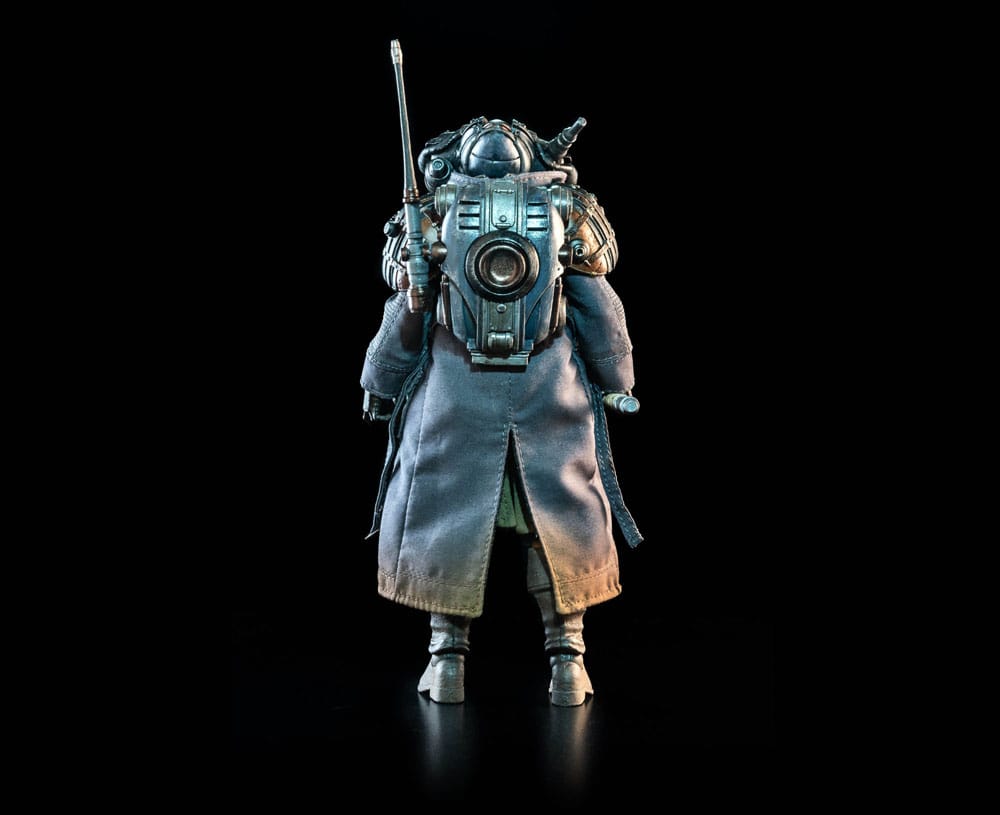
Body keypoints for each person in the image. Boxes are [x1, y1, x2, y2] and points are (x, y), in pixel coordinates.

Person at [361, 115, 641, 706]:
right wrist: (618, 380)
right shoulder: (554, 211)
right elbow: (598, 305)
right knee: (553, 520)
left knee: (452, 518)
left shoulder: (441, 216)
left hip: (459, 401)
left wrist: (380, 383)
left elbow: (407, 312)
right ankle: (563, 662)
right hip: (543, 398)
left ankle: (453, 661)